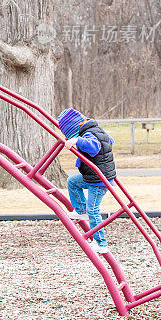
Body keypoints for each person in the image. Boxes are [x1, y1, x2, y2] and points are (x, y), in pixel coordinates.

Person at [58, 107, 116, 254]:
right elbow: (110, 141)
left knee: (93, 210)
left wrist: (77, 140)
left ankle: (101, 243)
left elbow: (94, 147)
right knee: (72, 181)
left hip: (99, 181)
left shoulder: (89, 134)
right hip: (95, 177)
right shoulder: (96, 129)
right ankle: (80, 210)